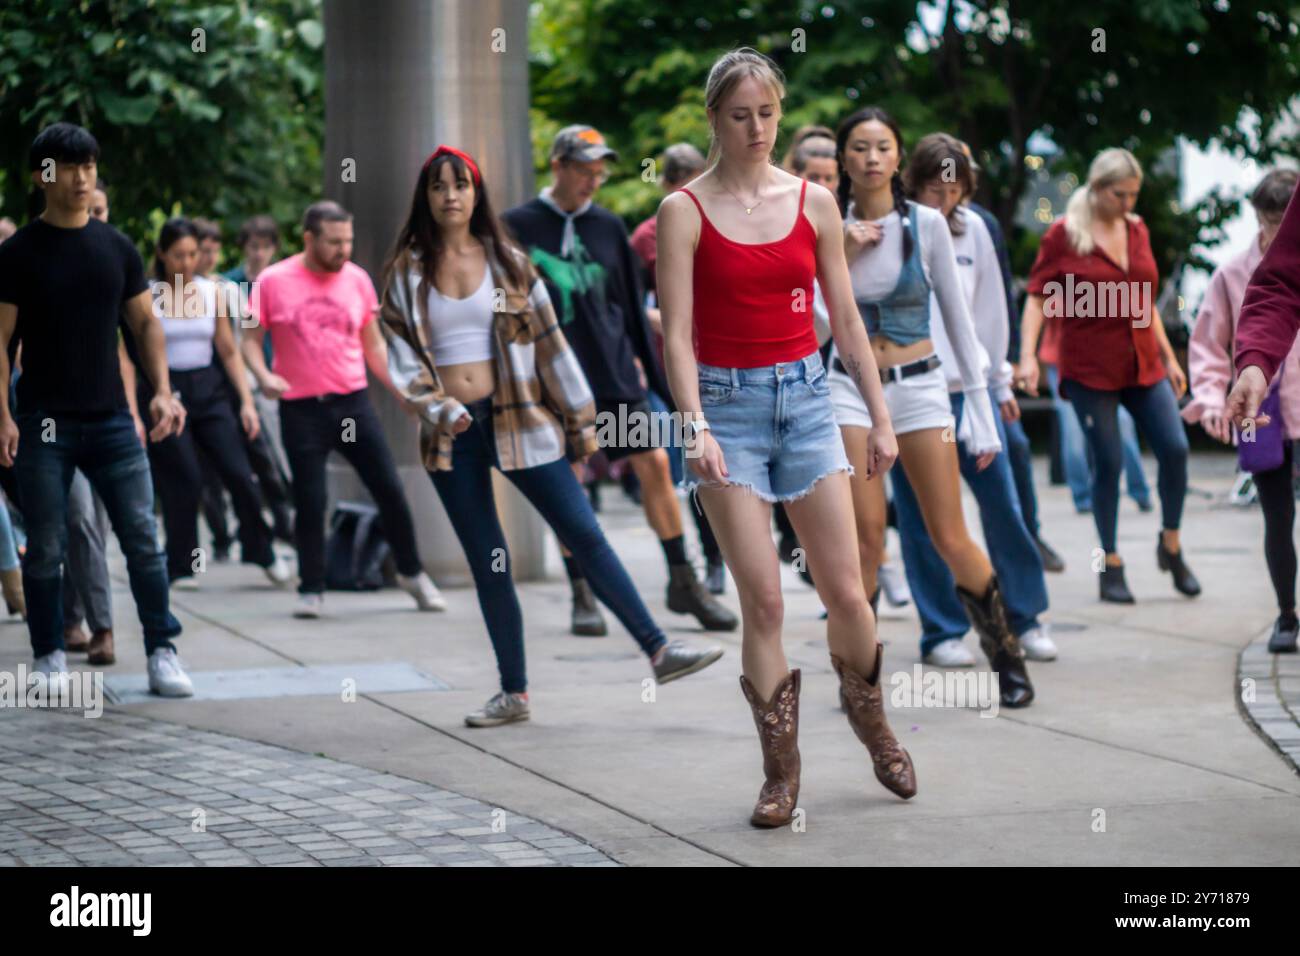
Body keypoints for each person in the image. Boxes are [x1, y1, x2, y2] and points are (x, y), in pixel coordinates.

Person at [659, 48, 918, 828]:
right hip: (726, 409)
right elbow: (677, 336)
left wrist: (879, 418)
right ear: (714, 118)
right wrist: (693, 424)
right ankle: (781, 771)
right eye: (740, 116)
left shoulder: (813, 202)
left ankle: (873, 722)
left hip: (807, 400)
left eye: (768, 113)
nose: (757, 129)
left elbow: (846, 319)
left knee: (846, 589)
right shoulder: (682, 210)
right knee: (764, 601)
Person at [380, 145, 724, 725]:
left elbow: (551, 350)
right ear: (426, 197)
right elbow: (400, 356)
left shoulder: (509, 261)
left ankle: (660, 650)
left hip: (519, 418)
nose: (450, 196)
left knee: (585, 535)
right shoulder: (407, 272)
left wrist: (581, 424)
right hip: (452, 432)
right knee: (491, 559)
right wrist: (437, 408)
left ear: (476, 193)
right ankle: (513, 693)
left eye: (460, 185)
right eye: (438, 187)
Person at [827, 106, 1035, 706]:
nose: (871, 158)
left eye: (883, 147)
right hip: (849, 386)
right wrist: (838, 252)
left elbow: (960, 320)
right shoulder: (823, 223)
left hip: (921, 388)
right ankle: (859, 679)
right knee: (864, 538)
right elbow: (813, 319)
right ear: (844, 158)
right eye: (859, 147)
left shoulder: (926, 224)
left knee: (949, 533)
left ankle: (1007, 656)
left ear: (898, 158)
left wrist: (980, 399)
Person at [502, 126, 737, 637]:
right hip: (551, 381)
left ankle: (683, 579)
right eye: (584, 169)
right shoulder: (516, 226)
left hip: (611, 377)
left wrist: (668, 393)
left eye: (599, 170)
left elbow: (634, 313)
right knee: (571, 477)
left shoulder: (608, 227)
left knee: (653, 462)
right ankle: (582, 591)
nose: (593, 179)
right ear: (557, 165)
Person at [0, 122, 192, 695]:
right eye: (70, 167)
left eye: (89, 166)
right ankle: (50, 653)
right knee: (48, 544)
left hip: (111, 419)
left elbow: (145, 322)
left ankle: (162, 651)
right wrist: (3, 417)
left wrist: (161, 389)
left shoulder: (116, 247)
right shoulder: (17, 254)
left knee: (141, 539)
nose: (83, 177)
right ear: (43, 176)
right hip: (44, 422)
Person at [242, 200, 445, 618]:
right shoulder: (273, 281)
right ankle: (311, 587)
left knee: (388, 487)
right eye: (334, 242)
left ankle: (411, 572)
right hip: (301, 408)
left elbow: (373, 346)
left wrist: (405, 392)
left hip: (351, 404)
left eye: (348, 241)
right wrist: (263, 376)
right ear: (309, 239)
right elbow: (248, 340)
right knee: (311, 499)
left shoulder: (357, 281)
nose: (343, 250)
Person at [896, 133, 1056, 664]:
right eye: (933, 189)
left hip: (972, 392)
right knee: (923, 519)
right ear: (912, 184)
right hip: (914, 393)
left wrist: (1000, 384)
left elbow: (992, 314)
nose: (943, 200)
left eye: (954, 188)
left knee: (1003, 505)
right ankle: (942, 630)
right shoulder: (895, 231)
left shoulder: (977, 229)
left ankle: (1025, 615)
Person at [1018, 147, 1198, 604]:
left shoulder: (1137, 229)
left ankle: (1170, 544)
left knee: (1175, 449)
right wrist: (1029, 357)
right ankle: (1109, 563)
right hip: (1090, 368)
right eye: (1120, 194)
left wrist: (1171, 359)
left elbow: (1144, 300)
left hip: (1142, 363)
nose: (1129, 203)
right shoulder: (1064, 235)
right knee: (1109, 464)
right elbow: (1038, 298)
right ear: (1097, 188)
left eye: (1134, 194)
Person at [134, 217, 290, 590]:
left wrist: (246, 403)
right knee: (185, 479)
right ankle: (184, 564)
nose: (187, 263)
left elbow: (228, 349)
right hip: (167, 390)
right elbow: (129, 355)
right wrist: (140, 406)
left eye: (193, 254)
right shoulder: (148, 295)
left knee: (238, 471)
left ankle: (261, 548)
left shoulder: (212, 291)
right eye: (178, 255)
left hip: (211, 389)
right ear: (162, 254)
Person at [1190, 170, 1299, 653]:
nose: (1280, 231)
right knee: (1277, 518)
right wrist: (1214, 399)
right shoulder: (1233, 273)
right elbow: (1209, 346)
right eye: (1273, 221)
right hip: (1261, 413)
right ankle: (1286, 614)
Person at [955, 141, 1066, 573]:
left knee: (1014, 447)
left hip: (984, 369)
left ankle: (1028, 536)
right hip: (933, 377)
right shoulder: (913, 222)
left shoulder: (982, 225)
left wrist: (1019, 359)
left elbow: (1001, 297)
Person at [629, 142, 728, 594]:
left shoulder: (725, 220)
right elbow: (630, 306)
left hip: (720, 360)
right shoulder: (645, 237)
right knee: (685, 464)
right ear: (666, 186)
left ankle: (716, 558)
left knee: (718, 468)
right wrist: (672, 318)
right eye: (682, 186)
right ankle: (698, 563)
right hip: (663, 364)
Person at [193, 217, 295, 554]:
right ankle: (223, 536)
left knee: (265, 461)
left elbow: (240, 344)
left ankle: (278, 529)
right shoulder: (191, 290)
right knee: (211, 472)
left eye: (211, 250)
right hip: (208, 391)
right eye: (199, 251)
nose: (260, 253)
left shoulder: (231, 290)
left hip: (251, 383)